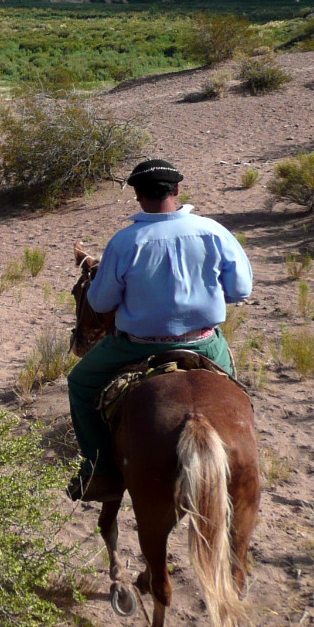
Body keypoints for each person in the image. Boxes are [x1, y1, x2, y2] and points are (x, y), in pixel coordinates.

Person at [65, 158, 251, 502]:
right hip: (204, 343)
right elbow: (240, 290)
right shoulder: (213, 231)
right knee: (236, 395)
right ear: (177, 190)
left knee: (79, 383)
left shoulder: (125, 241)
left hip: (136, 345)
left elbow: (102, 301)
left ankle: (100, 470)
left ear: (137, 195)